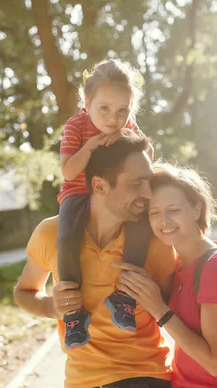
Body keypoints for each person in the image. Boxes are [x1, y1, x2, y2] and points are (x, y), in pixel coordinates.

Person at [13, 136, 177, 388]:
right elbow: (24, 292)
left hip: (147, 384)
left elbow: (177, 309)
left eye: (149, 182)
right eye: (136, 184)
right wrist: (49, 307)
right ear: (99, 186)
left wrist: (154, 298)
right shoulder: (50, 233)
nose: (147, 193)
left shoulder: (155, 241)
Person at [113, 162, 217, 388]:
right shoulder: (180, 266)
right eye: (154, 212)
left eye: (173, 210)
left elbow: (215, 363)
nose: (163, 221)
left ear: (196, 209)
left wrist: (159, 309)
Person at [57, 59, 154, 349]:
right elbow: (68, 171)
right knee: (67, 240)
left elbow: (147, 150)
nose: (114, 118)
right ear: (87, 102)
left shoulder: (127, 127)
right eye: (105, 109)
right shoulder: (76, 125)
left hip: (112, 198)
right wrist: (92, 146)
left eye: (122, 110)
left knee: (141, 228)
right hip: (78, 194)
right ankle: (74, 313)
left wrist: (130, 136)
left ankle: (123, 296)